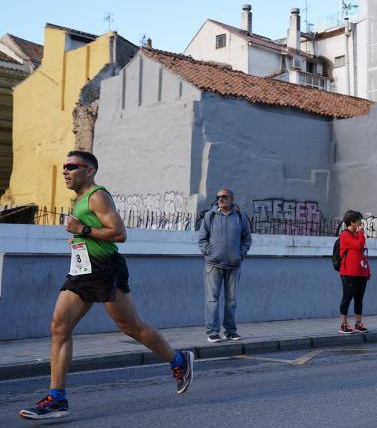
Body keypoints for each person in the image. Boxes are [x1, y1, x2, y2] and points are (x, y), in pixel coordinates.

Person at [19, 151, 194, 421]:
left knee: (130, 326)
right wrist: (80, 238)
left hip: (105, 268)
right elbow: (89, 233)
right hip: (83, 270)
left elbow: (119, 233)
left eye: (71, 166)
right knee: (59, 327)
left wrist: (83, 231)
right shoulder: (79, 200)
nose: (65, 171)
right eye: (64, 166)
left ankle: (179, 361)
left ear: (89, 171)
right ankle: (57, 399)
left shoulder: (97, 195)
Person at [198, 188, 252, 342]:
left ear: (231, 198)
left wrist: (241, 254)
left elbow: (247, 239)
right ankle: (212, 332)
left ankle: (230, 331)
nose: (220, 199)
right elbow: (202, 239)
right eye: (218, 197)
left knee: (231, 300)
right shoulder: (210, 216)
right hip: (213, 265)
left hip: (234, 265)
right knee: (212, 300)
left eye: (224, 196)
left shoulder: (240, 217)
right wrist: (209, 252)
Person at [338, 210, 370, 333]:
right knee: (347, 298)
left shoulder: (357, 235)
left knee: (359, 299)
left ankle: (358, 323)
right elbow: (358, 245)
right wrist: (361, 234)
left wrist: (368, 271)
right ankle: (343, 324)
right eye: (358, 221)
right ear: (352, 222)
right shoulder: (345, 235)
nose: (361, 223)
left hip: (361, 272)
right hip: (349, 273)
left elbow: (363, 254)